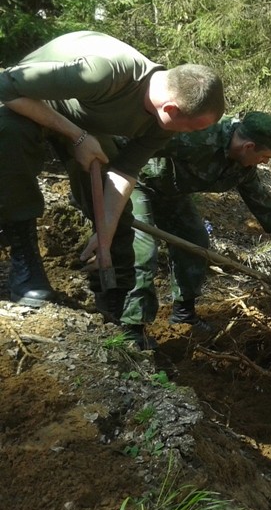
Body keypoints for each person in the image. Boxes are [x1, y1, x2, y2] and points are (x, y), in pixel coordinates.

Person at [0, 31, 225, 319]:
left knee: (116, 218)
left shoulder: (163, 122)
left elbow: (124, 172)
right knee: (9, 133)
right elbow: (6, 85)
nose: (190, 134)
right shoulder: (104, 73)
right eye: (192, 128)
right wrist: (77, 136)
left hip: (85, 125)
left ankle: (114, 313)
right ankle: (26, 268)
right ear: (171, 109)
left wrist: (104, 237)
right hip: (29, 103)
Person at [117, 111, 271, 335]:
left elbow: (262, 206)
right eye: (266, 157)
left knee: (195, 240)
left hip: (172, 193)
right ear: (249, 147)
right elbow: (133, 142)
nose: (264, 163)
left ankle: (183, 314)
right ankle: (132, 329)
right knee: (143, 251)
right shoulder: (197, 138)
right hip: (137, 181)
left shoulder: (244, 167)